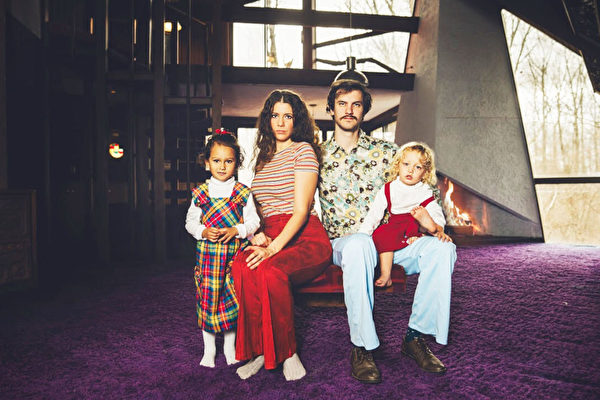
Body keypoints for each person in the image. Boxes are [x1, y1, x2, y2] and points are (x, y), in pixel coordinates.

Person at [319, 79, 457, 382]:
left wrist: (430, 225)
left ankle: (415, 337)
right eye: (342, 104)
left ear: (364, 110)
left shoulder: (387, 153)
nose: (349, 110)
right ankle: (362, 346)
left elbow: (421, 187)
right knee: (359, 244)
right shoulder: (316, 154)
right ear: (330, 109)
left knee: (443, 248)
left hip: (391, 242)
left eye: (356, 104)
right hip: (346, 243)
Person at [232, 90, 332, 381]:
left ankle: (288, 352)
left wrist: (272, 249)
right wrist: (258, 236)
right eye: (275, 115)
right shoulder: (263, 160)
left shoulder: (304, 150)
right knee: (242, 266)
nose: (280, 122)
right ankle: (260, 351)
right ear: (267, 120)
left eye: (288, 116)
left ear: (296, 120)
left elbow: (300, 211)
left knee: (270, 270)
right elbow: (258, 210)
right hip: (270, 233)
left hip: (304, 235)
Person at [185, 130, 260, 368]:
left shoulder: (242, 193)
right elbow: (190, 223)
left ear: (236, 164)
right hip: (208, 260)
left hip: (232, 258)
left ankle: (229, 347)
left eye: (228, 161)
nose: (222, 166)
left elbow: (254, 222)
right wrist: (203, 231)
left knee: (231, 300)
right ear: (207, 163)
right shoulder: (200, 193)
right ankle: (209, 350)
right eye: (216, 160)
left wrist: (237, 230)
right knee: (208, 301)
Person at [359, 142, 452, 288]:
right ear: (398, 166)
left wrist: (438, 228)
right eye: (406, 164)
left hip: (415, 223)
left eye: (418, 167)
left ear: (425, 173)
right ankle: (386, 273)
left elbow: (436, 212)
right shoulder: (389, 188)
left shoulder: (424, 190)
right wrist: (362, 235)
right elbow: (374, 215)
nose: (411, 170)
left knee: (429, 217)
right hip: (396, 225)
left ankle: (432, 229)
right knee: (382, 235)